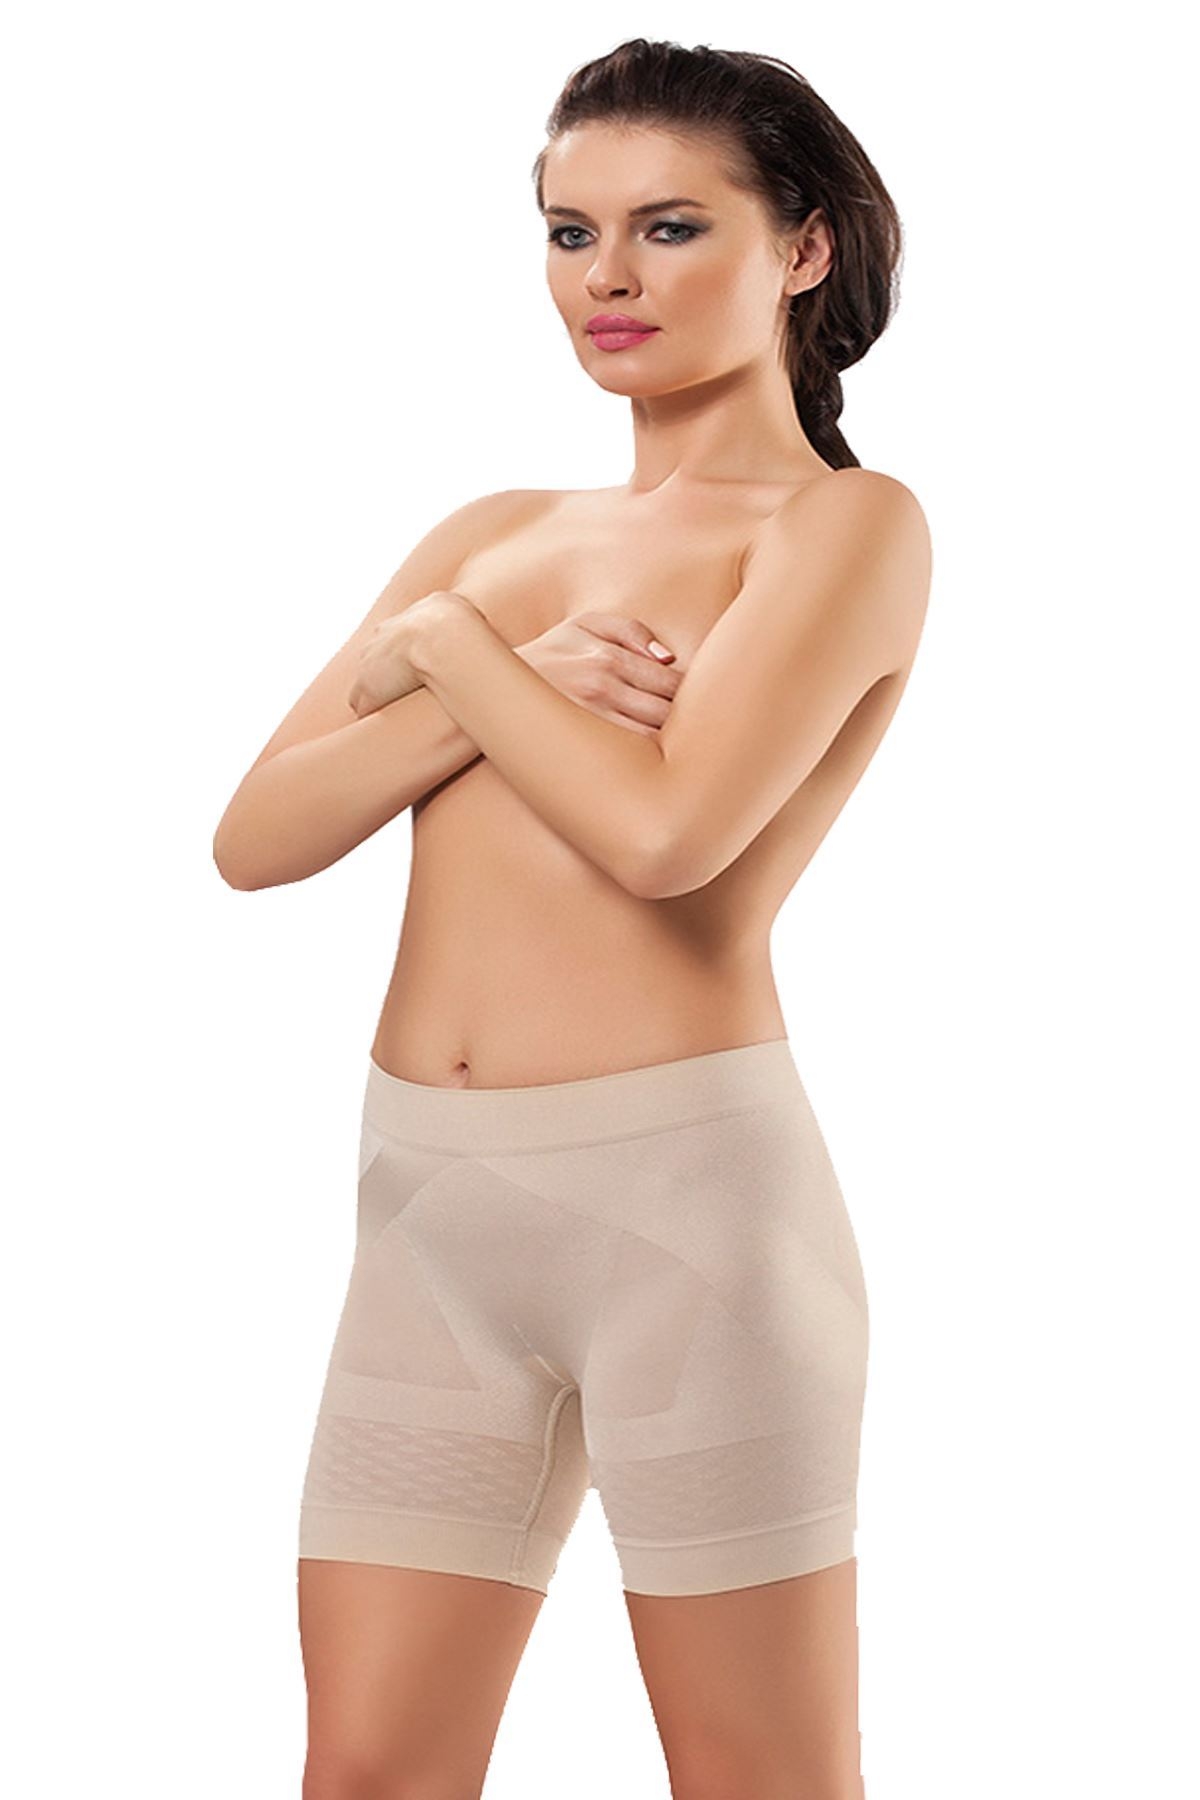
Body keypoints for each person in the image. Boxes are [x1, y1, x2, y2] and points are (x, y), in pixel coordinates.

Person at [213, 36, 931, 1800]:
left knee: (760, 1777)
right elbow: (257, 837)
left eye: (671, 227)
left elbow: (668, 835)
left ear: (804, 247)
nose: (608, 276)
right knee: (366, 1774)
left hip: (687, 1218)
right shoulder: (495, 532)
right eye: (568, 231)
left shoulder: (845, 528)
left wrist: (449, 656)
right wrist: (506, 672)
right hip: (425, 1215)